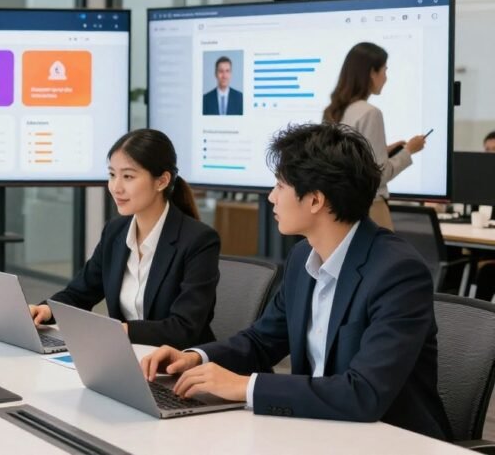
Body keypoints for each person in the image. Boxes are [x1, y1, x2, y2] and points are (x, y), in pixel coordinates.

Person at [139, 123, 451, 440]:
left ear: (315, 200)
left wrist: (244, 386)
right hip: (316, 429)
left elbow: (364, 393)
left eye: (280, 185)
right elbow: (261, 341)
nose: (271, 197)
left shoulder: (397, 272)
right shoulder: (304, 257)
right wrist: (194, 358)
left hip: (391, 440)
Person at [28, 129, 221, 347]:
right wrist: (46, 310)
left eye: (128, 176)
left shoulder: (199, 241)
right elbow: (79, 294)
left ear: (161, 181)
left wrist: (118, 331)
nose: (116, 187)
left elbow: (184, 328)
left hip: (180, 361)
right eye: (112, 175)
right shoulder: (115, 231)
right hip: (127, 354)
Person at [322, 42, 427, 230]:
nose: (386, 77)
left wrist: (384, 150)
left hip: (339, 209)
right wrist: (409, 151)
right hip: (370, 209)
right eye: (385, 70)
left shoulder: (333, 112)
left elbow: (348, 162)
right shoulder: (370, 113)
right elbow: (378, 175)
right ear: (372, 72)